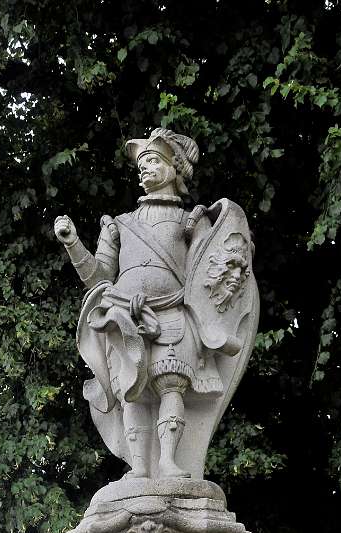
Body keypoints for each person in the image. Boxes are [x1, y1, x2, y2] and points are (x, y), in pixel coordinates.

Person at [54, 128, 257, 482]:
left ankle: (169, 463)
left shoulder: (191, 220)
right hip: (122, 315)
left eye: (153, 161)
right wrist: (72, 243)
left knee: (171, 385)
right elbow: (98, 276)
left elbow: (212, 267)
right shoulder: (119, 225)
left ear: (174, 168)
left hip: (172, 313)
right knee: (130, 392)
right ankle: (140, 468)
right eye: (142, 164)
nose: (145, 169)